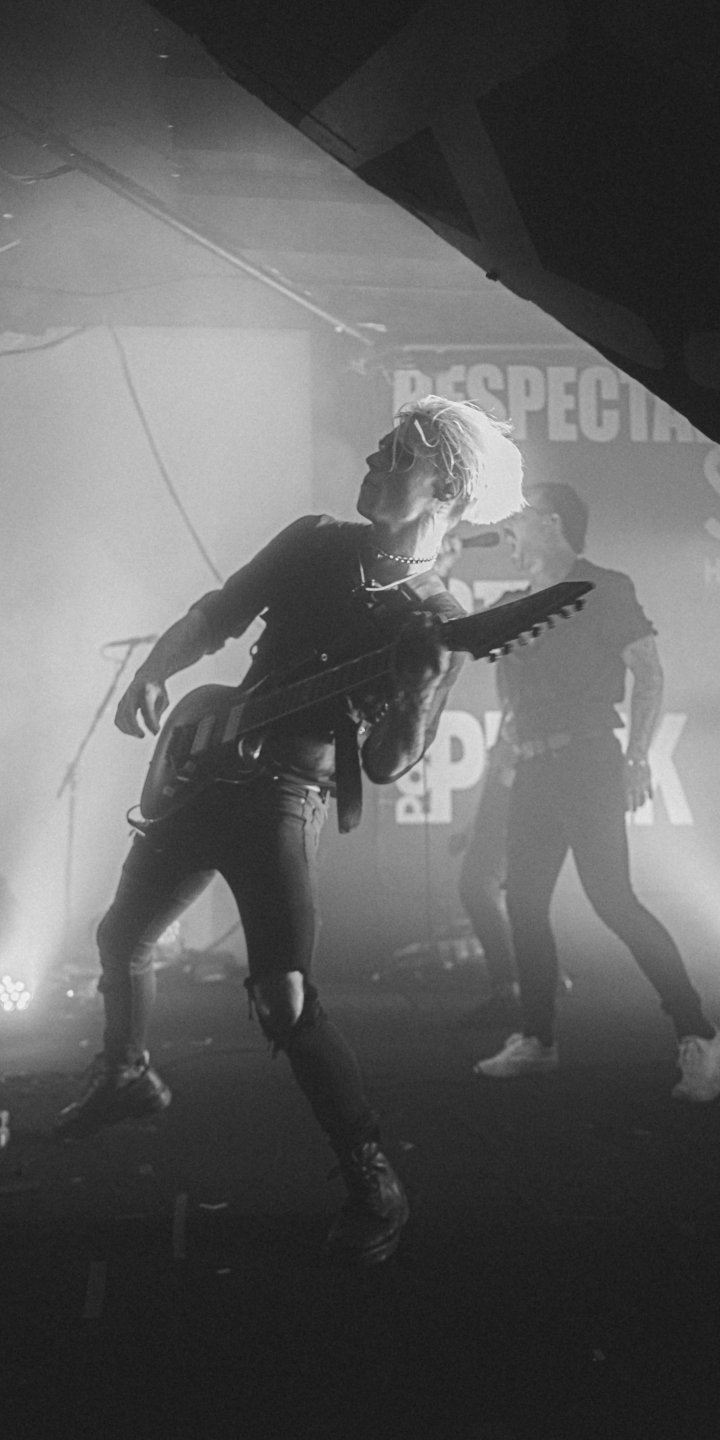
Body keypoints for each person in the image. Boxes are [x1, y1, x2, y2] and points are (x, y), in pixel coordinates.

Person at [56, 395, 525, 1265]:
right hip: (206, 762)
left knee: (285, 1000)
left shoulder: (431, 617)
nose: (375, 459)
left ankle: (373, 1178)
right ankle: (126, 1073)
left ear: (448, 490)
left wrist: (421, 684)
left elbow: (387, 763)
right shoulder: (314, 541)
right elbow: (218, 614)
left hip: (283, 796)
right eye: (379, 444)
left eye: (400, 455)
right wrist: (155, 671)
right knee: (120, 936)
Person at [473, 483, 720, 1102]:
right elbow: (462, 645)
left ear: (552, 523)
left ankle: (697, 1033)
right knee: (523, 901)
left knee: (612, 899)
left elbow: (649, 672)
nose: (508, 532)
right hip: (532, 768)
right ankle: (538, 1038)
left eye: (519, 519)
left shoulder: (603, 588)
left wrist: (637, 757)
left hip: (587, 761)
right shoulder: (514, 604)